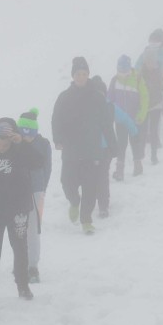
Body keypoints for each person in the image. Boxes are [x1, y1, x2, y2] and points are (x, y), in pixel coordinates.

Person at [0, 118, 44, 306]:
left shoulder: (19, 150)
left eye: (6, 143)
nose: (3, 147)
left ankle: (23, 285)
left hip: (18, 209)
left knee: (20, 248)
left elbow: (39, 162)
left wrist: (22, 143)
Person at [52, 56, 112, 235]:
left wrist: (112, 144)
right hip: (71, 149)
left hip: (92, 149)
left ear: (88, 75)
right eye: (78, 73)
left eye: (84, 73)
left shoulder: (97, 97)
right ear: (73, 75)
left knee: (90, 186)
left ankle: (86, 220)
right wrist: (58, 139)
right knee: (67, 182)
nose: (81, 77)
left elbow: (106, 122)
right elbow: (56, 120)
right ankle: (74, 202)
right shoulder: (64, 97)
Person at [16, 109, 53, 284]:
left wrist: (41, 188)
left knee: (33, 229)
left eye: (29, 133)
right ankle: (21, 262)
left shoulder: (43, 144)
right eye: (23, 133)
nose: (26, 137)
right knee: (18, 229)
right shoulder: (14, 143)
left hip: (36, 191)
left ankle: (32, 266)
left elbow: (47, 168)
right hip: (16, 191)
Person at [108, 54, 148, 181]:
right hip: (120, 120)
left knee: (135, 141)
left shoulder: (137, 79)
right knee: (121, 144)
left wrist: (141, 115)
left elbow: (145, 98)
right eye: (120, 68)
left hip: (135, 119)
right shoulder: (114, 80)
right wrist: (111, 115)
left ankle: (138, 165)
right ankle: (119, 170)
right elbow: (110, 99)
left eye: (124, 68)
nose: (122, 71)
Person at [136, 30, 163, 166]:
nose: (151, 64)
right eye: (148, 62)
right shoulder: (140, 73)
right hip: (144, 106)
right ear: (145, 62)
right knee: (143, 131)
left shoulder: (159, 71)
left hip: (156, 105)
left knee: (154, 130)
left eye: (153, 62)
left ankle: (154, 155)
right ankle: (142, 151)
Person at [89, 76, 119, 218]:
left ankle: (103, 205)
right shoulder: (86, 108)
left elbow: (123, 116)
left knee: (102, 176)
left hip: (106, 148)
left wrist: (133, 129)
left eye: (101, 93)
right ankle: (93, 201)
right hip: (90, 148)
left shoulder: (109, 106)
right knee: (93, 176)